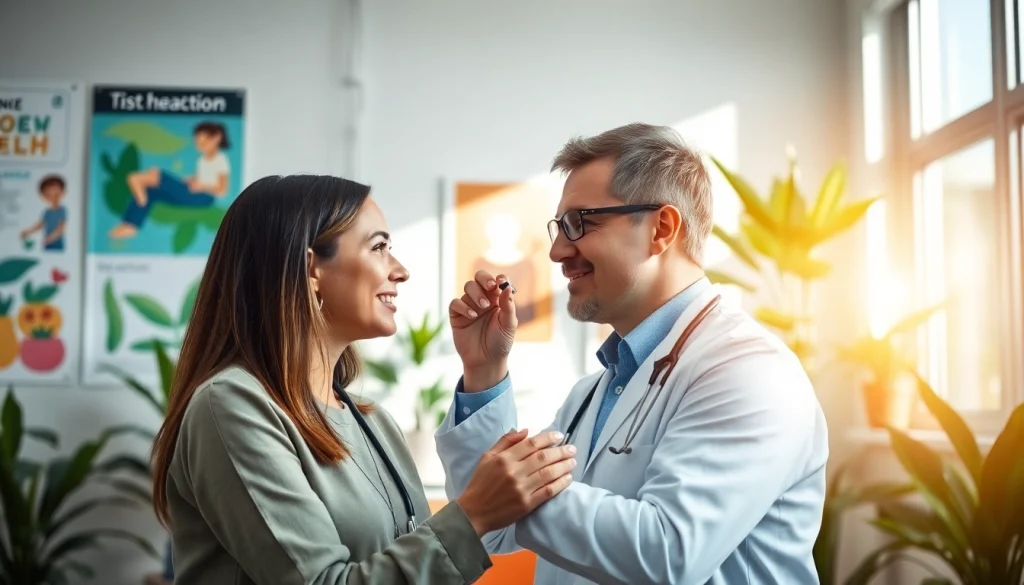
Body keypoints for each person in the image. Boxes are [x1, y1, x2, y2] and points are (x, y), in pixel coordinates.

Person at [436, 123, 829, 585]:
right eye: (559, 227)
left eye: (579, 222)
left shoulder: (750, 372)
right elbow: (489, 527)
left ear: (661, 228)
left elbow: (667, 553)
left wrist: (516, 492)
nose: (558, 250)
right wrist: (484, 373)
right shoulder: (593, 392)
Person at [148, 175, 577, 585]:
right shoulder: (231, 407)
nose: (400, 270)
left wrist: (483, 369)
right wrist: (475, 513)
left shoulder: (373, 421)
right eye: (379, 247)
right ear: (311, 268)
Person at [109, 121, 232, 239]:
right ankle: (131, 225)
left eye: (203, 142)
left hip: (204, 198)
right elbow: (204, 178)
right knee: (150, 191)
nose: (199, 145)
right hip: (194, 192)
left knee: (157, 175)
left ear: (216, 138)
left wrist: (201, 186)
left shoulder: (220, 160)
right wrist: (192, 180)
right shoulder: (203, 159)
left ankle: (142, 181)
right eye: (197, 142)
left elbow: (222, 189)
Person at [20, 174, 67, 251]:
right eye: (49, 195)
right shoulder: (47, 212)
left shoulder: (62, 210)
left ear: (63, 193)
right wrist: (27, 232)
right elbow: (40, 225)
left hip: (57, 243)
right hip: (47, 244)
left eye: (56, 194)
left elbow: (61, 228)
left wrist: (50, 238)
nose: (53, 198)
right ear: (44, 196)